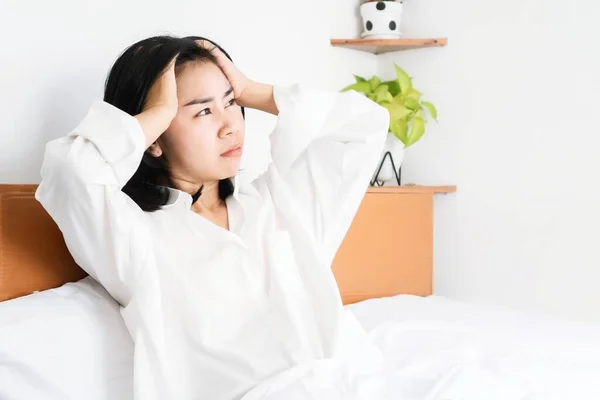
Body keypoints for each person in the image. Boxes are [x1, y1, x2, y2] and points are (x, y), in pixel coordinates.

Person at [36, 35, 389, 399]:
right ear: (154, 139)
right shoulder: (137, 239)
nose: (231, 126)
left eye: (231, 102)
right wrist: (156, 115)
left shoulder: (278, 204)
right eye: (203, 111)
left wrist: (253, 90)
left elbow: (363, 125)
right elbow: (68, 174)